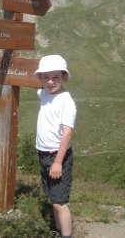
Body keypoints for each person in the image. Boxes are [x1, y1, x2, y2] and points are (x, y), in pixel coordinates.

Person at [34, 55, 77, 238]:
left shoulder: (67, 101)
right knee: (53, 200)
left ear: (64, 77)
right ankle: (59, 233)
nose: (50, 82)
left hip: (57, 156)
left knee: (60, 202)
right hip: (43, 154)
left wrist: (58, 162)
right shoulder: (43, 92)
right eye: (46, 77)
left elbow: (67, 133)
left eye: (56, 77)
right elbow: (37, 84)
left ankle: (66, 236)